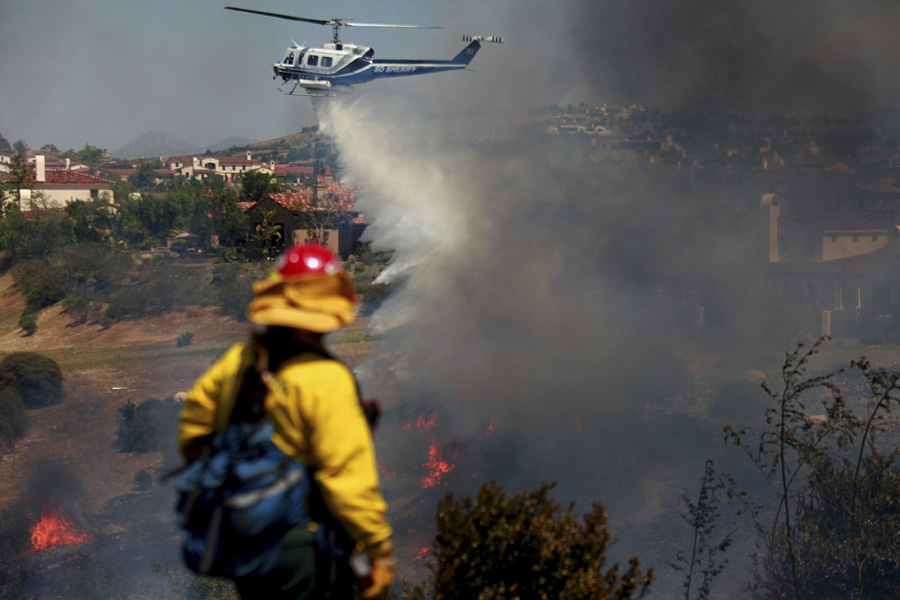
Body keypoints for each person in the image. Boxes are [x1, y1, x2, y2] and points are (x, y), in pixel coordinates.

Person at [177, 242, 395, 600]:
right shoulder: (325, 378)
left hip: (246, 544)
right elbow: (346, 477)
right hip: (303, 548)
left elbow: (193, 434)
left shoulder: (239, 361)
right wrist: (378, 548)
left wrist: (244, 482)